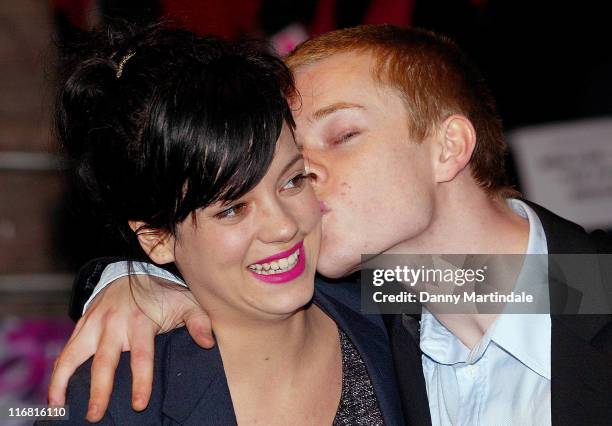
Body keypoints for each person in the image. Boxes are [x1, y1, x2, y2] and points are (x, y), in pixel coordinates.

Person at [49, 25, 612, 425]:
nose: (304, 177)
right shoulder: (391, 312)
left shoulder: (585, 294)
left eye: (342, 136)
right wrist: (132, 277)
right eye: (292, 160)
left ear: (449, 148)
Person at [41, 24, 404, 425]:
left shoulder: (386, 298)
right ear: (156, 239)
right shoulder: (114, 403)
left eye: (292, 180)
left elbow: (483, 284)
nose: (283, 226)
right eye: (233, 208)